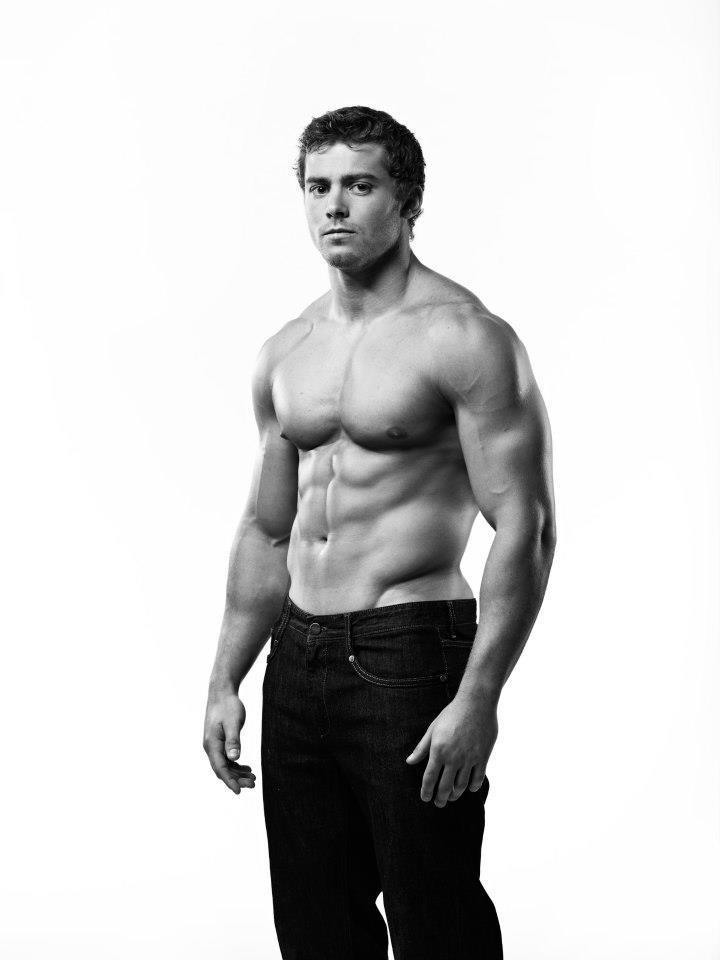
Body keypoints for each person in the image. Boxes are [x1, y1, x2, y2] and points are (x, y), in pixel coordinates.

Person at [203, 105, 556, 960]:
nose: (334, 205)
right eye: (318, 186)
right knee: (316, 924)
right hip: (297, 655)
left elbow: (526, 525)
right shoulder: (287, 350)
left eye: (359, 185)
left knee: (435, 916)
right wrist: (224, 677)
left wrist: (479, 697)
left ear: (408, 201)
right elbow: (266, 529)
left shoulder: (464, 337)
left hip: (409, 652)